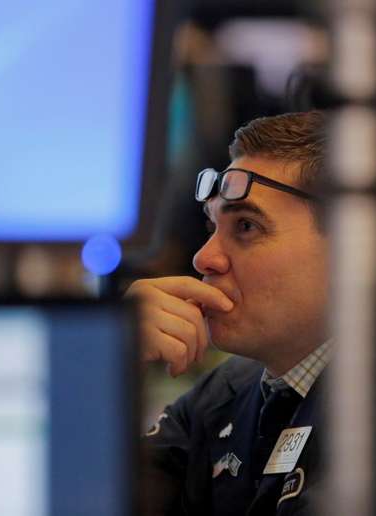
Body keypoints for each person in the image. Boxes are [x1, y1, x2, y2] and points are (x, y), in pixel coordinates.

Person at [127, 111, 331, 516]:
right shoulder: (227, 392)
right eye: (211, 227)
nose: (204, 258)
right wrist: (103, 368)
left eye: (247, 227)